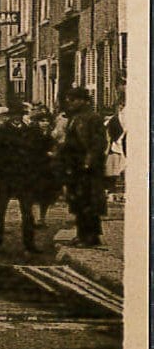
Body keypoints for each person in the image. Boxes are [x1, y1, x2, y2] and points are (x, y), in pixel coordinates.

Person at [0, 102, 48, 254]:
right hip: (6, 175)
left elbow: (39, 151)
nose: (17, 118)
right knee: (0, 210)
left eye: (20, 114)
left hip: (25, 176)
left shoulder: (31, 131)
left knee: (27, 211)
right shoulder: (1, 132)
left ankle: (29, 243)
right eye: (14, 115)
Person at [62, 87, 108, 247]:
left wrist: (88, 162)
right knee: (77, 201)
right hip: (75, 165)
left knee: (89, 201)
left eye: (73, 100)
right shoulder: (75, 118)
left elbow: (98, 143)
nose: (70, 103)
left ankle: (91, 236)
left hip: (87, 167)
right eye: (69, 100)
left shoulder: (92, 118)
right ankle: (81, 234)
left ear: (83, 100)